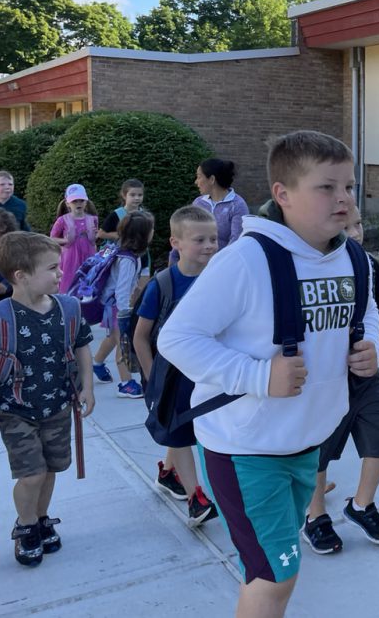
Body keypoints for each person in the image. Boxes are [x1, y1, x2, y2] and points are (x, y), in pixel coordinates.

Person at [158, 130, 379, 618]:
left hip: (306, 443)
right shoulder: (245, 260)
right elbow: (176, 339)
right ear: (282, 194)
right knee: (274, 576)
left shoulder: (354, 260)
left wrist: (372, 349)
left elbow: (366, 318)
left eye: (349, 185)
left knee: (273, 569)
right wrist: (260, 377)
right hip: (246, 450)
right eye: (327, 187)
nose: (344, 198)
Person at [0, 232, 94, 567]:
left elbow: (82, 345)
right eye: (52, 268)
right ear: (21, 276)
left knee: (51, 468)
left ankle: (40, 518)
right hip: (15, 409)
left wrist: (88, 386)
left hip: (57, 405)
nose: (60, 273)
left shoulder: (68, 308)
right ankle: (25, 527)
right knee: (32, 474)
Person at [303, 200, 379, 554]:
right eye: (347, 228)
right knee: (319, 449)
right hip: (323, 378)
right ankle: (314, 517)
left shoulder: (367, 265)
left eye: (358, 226)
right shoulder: (312, 266)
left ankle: (361, 505)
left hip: (365, 375)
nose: (354, 234)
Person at [133, 205, 220, 526]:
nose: (210, 245)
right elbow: (141, 337)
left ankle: (169, 473)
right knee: (181, 433)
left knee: (181, 430)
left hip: (209, 373)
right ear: (176, 243)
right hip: (171, 377)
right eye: (200, 240)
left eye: (214, 238)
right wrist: (152, 377)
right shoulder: (163, 284)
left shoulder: (221, 278)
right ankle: (197, 498)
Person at [91, 211, 154, 398]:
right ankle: (125, 384)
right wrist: (125, 314)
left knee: (113, 338)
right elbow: (121, 290)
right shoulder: (127, 260)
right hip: (117, 308)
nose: (153, 232)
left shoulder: (126, 254)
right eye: (151, 230)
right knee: (123, 343)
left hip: (115, 306)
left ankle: (97, 362)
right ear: (141, 236)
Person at [50, 184, 99, 294]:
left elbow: (93, 241)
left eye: (81, 200)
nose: (78, 203)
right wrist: (65, 241)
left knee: (88, 283)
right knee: (68, 285)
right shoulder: (62, 220)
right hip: (70, 259)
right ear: (67, 203)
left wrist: (95, 236)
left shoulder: (93, 219)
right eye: (74, 201)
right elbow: (52, 239)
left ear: (86, 202)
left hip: (88, 257)